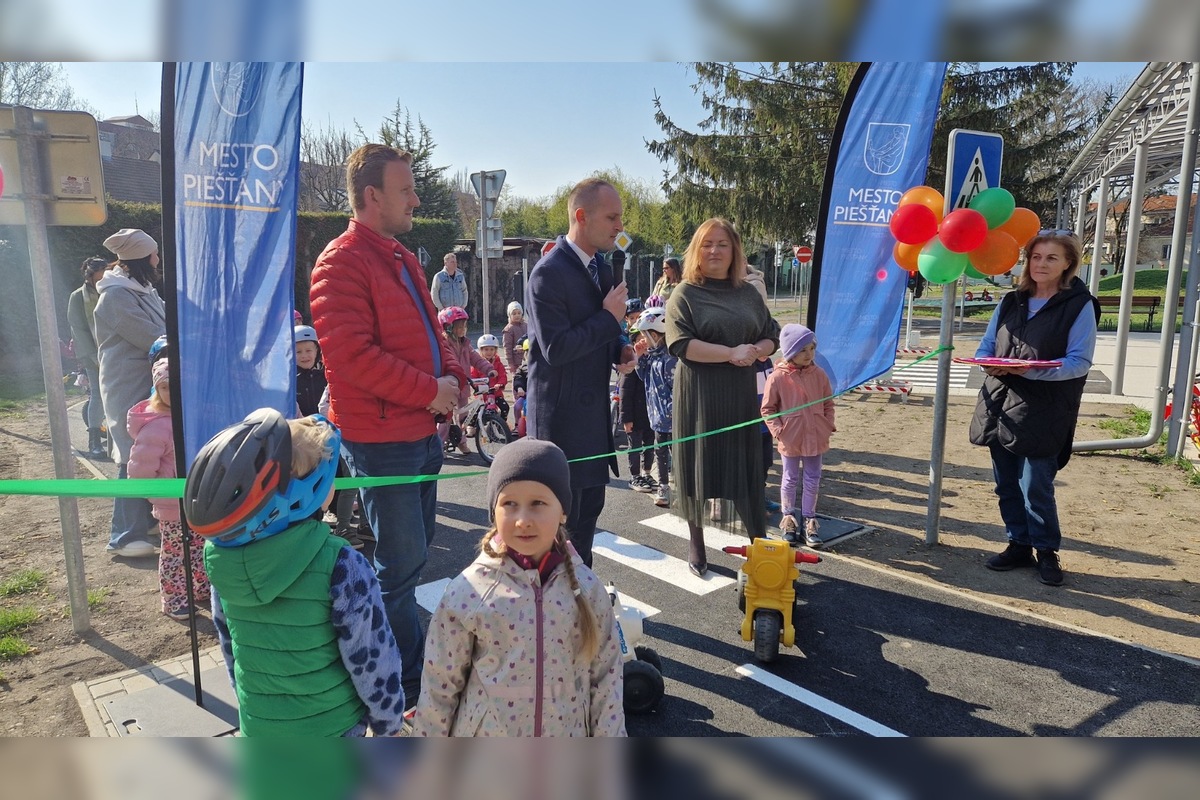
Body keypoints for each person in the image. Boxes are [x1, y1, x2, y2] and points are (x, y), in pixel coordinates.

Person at [310, 143, 467, 707]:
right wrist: (432, 390)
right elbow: (352, 358)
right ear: (372, 196)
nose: (416, 200)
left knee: (414, 552)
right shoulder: (340, 261)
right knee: (399, 563)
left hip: (419, 432)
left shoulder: (400, 257)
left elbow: (435, 333)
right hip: (383, 440)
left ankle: (398, 652)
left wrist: (456, 380)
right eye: (406, 190)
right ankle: (400, 671)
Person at [185, 410, 405, 736]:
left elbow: (230, 646)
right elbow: (372, 659)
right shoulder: (342, 564)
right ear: (308, 491)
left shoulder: (221, 560)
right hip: (333, 728)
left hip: (260, 726)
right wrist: (389, 723)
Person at [413, 438, 625, 736]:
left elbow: (606, 680)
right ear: (493, 512)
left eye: (538, 503)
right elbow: (440, 685)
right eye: (509, 504)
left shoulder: (587, 591)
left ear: (563, 511)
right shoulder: (470, 592)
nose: (523, 520)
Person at [969, 230, 1099, 587]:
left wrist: (1031, 370)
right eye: (1036, 257)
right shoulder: (1012, 300)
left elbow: (1079, 362)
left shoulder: (1079, 305)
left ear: (1068, 264)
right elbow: (985, 345)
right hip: (1001, 404)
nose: (1041, 264)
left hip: (1046, 410)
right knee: (1006, 484)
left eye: (1051, 258)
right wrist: (988, 363)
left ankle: (1046, 551)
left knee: (1036, 485)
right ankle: (1018, 544)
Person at [666, 218, 780, 577]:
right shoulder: (684, 293)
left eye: (722, 244)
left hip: (740, 396)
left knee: (745, 467)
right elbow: (681, 344)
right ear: (696, 251)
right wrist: (731, 353)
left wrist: (757, 350)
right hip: (698, 396)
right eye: (707, 244)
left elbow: (771, 333)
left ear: (735, 252)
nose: (714, 251)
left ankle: (758, 543)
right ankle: (696, 542)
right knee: (698, 467)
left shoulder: (746, 292)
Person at [525, 178, 629, 568]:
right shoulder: (548, 273)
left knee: (584, 535)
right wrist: (607, 320)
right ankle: (554, 618)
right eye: (612, 217)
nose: (620, 226)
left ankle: (578, 611)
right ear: (581, 217)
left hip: (593, 429)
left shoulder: (600, 268)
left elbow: (605, 330)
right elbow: (556, 349)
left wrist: (621, 347)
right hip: (562, 433)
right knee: (557, 541)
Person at [93, 228, 166, 559]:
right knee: (131, 454)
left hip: (149, 384)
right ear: (141, 259)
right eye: (153, 255)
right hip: (128, 385)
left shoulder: (142, 289)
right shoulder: (116, 297)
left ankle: (143, 521)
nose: (158, 259)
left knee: (153, 452)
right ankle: (122, 535)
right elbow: (152, 336)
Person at [127, 358, 210, 620]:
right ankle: (174, 599)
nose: (172, 393)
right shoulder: (157, 426)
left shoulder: (197, 417)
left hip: (199, 502)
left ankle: (200, 588)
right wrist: (162, 497)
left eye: (179, 386)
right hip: (173, 506)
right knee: (176, 555)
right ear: (157, 391)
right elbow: (140, 472)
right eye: (165, 387)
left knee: (199, 548)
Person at [761, 324, 835, 549]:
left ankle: (809, 521)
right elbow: (768, 409)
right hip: (791, 439)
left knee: (813, 479)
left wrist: (826, 424)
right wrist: (779, 431)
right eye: (803, 350)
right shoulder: (777, 378)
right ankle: (788, 520)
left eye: (812, 348)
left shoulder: (819, 374)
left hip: (816, 437)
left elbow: (828, 403)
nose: (809, 354)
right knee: (790, 478)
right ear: (790, 351)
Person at [634, 306, 677, 509]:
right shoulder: (652, 356)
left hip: (674, 418)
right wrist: (640, 357)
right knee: (661, 452)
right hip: (658, 417)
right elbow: (643, 377)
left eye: (644, 334)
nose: (643, 338)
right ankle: (664, 487)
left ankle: (686, 490)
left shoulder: (670, 359)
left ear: (654, 334)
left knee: (677, 453)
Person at [436, 306, 495, 455]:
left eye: (464, 326)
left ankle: (461, 442)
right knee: (446, 418)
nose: (463, 329)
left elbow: (476, 359)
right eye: (459, 326)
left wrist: (489, 369)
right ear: (448, 327)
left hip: (463, 386)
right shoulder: (444, 344)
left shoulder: (465, 344)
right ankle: (438, 445)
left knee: (464, 418)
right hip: (451, 386)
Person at [67, 256, 109, 459]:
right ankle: (94, 442)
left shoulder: (113, 290)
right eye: (98, 277)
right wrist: (92, 357)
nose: (102, 281)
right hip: (93, 354)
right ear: (89, 276)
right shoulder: (77, 297)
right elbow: (78, 329)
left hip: (117, 351)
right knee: (98, 396)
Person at [619, 325, 656, 494]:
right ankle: (635, 475)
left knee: (650, 444)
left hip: (650, 413)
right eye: (639, 339)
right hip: (634, 414)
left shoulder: (652, 361)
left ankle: (647, 473)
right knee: (634, 446)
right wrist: (626, 419)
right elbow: (625, 393)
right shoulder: (630, 366)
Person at [472, 333, 509, 419]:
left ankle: (501, 425)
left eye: (492, 349)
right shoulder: (477, 365)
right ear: (481, 350)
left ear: (495, 350)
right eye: (486, 349)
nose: (489, 352)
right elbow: (473, 376)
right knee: (477, 412)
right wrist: (479, 386)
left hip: (496, 394)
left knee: (505, 408)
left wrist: (499, 384)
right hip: (482, 395)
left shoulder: (498, 364)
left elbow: (502, 376)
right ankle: (471, 427)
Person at [294, 324, 327, 418]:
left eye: (308, 350)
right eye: (298, 352)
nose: (304, 356)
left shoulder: (325, 376)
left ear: (317, 350)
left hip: (326, 427)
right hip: (301, 428)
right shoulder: (290, 381)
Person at [511, 336, 530, 437]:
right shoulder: (523, 367)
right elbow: (518, 378)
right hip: (525, 394)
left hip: (538, 395)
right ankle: (517, 425)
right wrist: (519, 388)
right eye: (528, 353)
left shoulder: (543, 367)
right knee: (517, 406)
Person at [502, 301, 527, 373]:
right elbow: (507, 347)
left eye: (519, 313)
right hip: (516, 361)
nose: (517, 315)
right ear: (509, 315)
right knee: (518, 380)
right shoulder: (508, 329)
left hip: (527, 359)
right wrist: (510, 363)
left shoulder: (526, 326)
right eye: (514, 313)